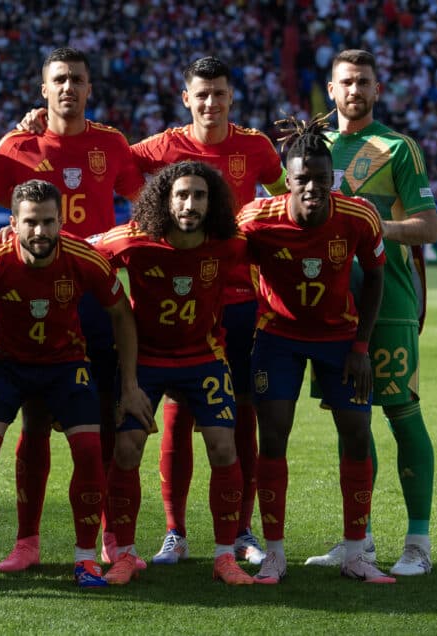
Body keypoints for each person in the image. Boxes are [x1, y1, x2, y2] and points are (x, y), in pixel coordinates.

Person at [0, 47, 144, 572]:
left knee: (100, 423)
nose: (68, 89)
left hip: (93, 293)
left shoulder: (110, 144)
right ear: (44, 89)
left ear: (89, 87)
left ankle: (108, 539)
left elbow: (145, 204)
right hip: (25, 294)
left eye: (77, 80)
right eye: (59, 80)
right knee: (33, 424)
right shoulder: (17, 146)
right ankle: (27, 541)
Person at [0, 180, 153, 588]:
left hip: (66, 364)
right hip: (3, 364)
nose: (40, 232)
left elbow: (122, 314)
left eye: (48, 222)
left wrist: (129, 385)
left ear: (61, 222)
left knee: (87, 449)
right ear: (13, 223)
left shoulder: (84, 258)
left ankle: (85, 559)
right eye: (31, 223)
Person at [128, 56, 286, 567]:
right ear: (186, 98)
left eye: (219, 93)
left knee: (239, 414)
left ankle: (240, 531)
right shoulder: (161, 146)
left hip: (239, 300)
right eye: (202, 94)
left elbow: (285, 202)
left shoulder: (257, 147)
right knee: (177, 408)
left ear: (231, 97)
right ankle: (176, 533)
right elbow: (104, 164)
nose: (211, 103)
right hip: (179, 299)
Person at [238, 114, 394, 584]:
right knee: (275, 435)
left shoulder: (359, 216)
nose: (312, 187)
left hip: (339, 339)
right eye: (302, 178)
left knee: (355, 431)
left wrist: (362, 346)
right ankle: (275, 553)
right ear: (288, 179)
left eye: (321, 179)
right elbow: (226, 267)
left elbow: (377, 277)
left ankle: (354, 553)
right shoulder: (256, 219)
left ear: (333, 180)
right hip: (278, 338)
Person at [304, 49, 437, 576]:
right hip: (331, 308)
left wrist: (373, 226)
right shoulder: (314, 148)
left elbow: (427, 227)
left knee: (402, 414)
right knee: (350, 422)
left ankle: (419, 545)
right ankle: (358, 541)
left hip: (391, 302)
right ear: (330, 91)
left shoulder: (397, 148)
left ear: (376, 90)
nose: (354, 90)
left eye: (363, 82)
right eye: (345, 82)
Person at [93, 161, 253, 586]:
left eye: (199, 195)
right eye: (181, 195)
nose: (189, 203)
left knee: (223, 447)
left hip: (203, 356)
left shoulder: (229, 245)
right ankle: (124, 554)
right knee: (126, 450)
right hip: (144, 360)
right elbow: (82, 250)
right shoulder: (133, 241)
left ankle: (224, 557)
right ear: (164, 201)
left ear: (211, 201)